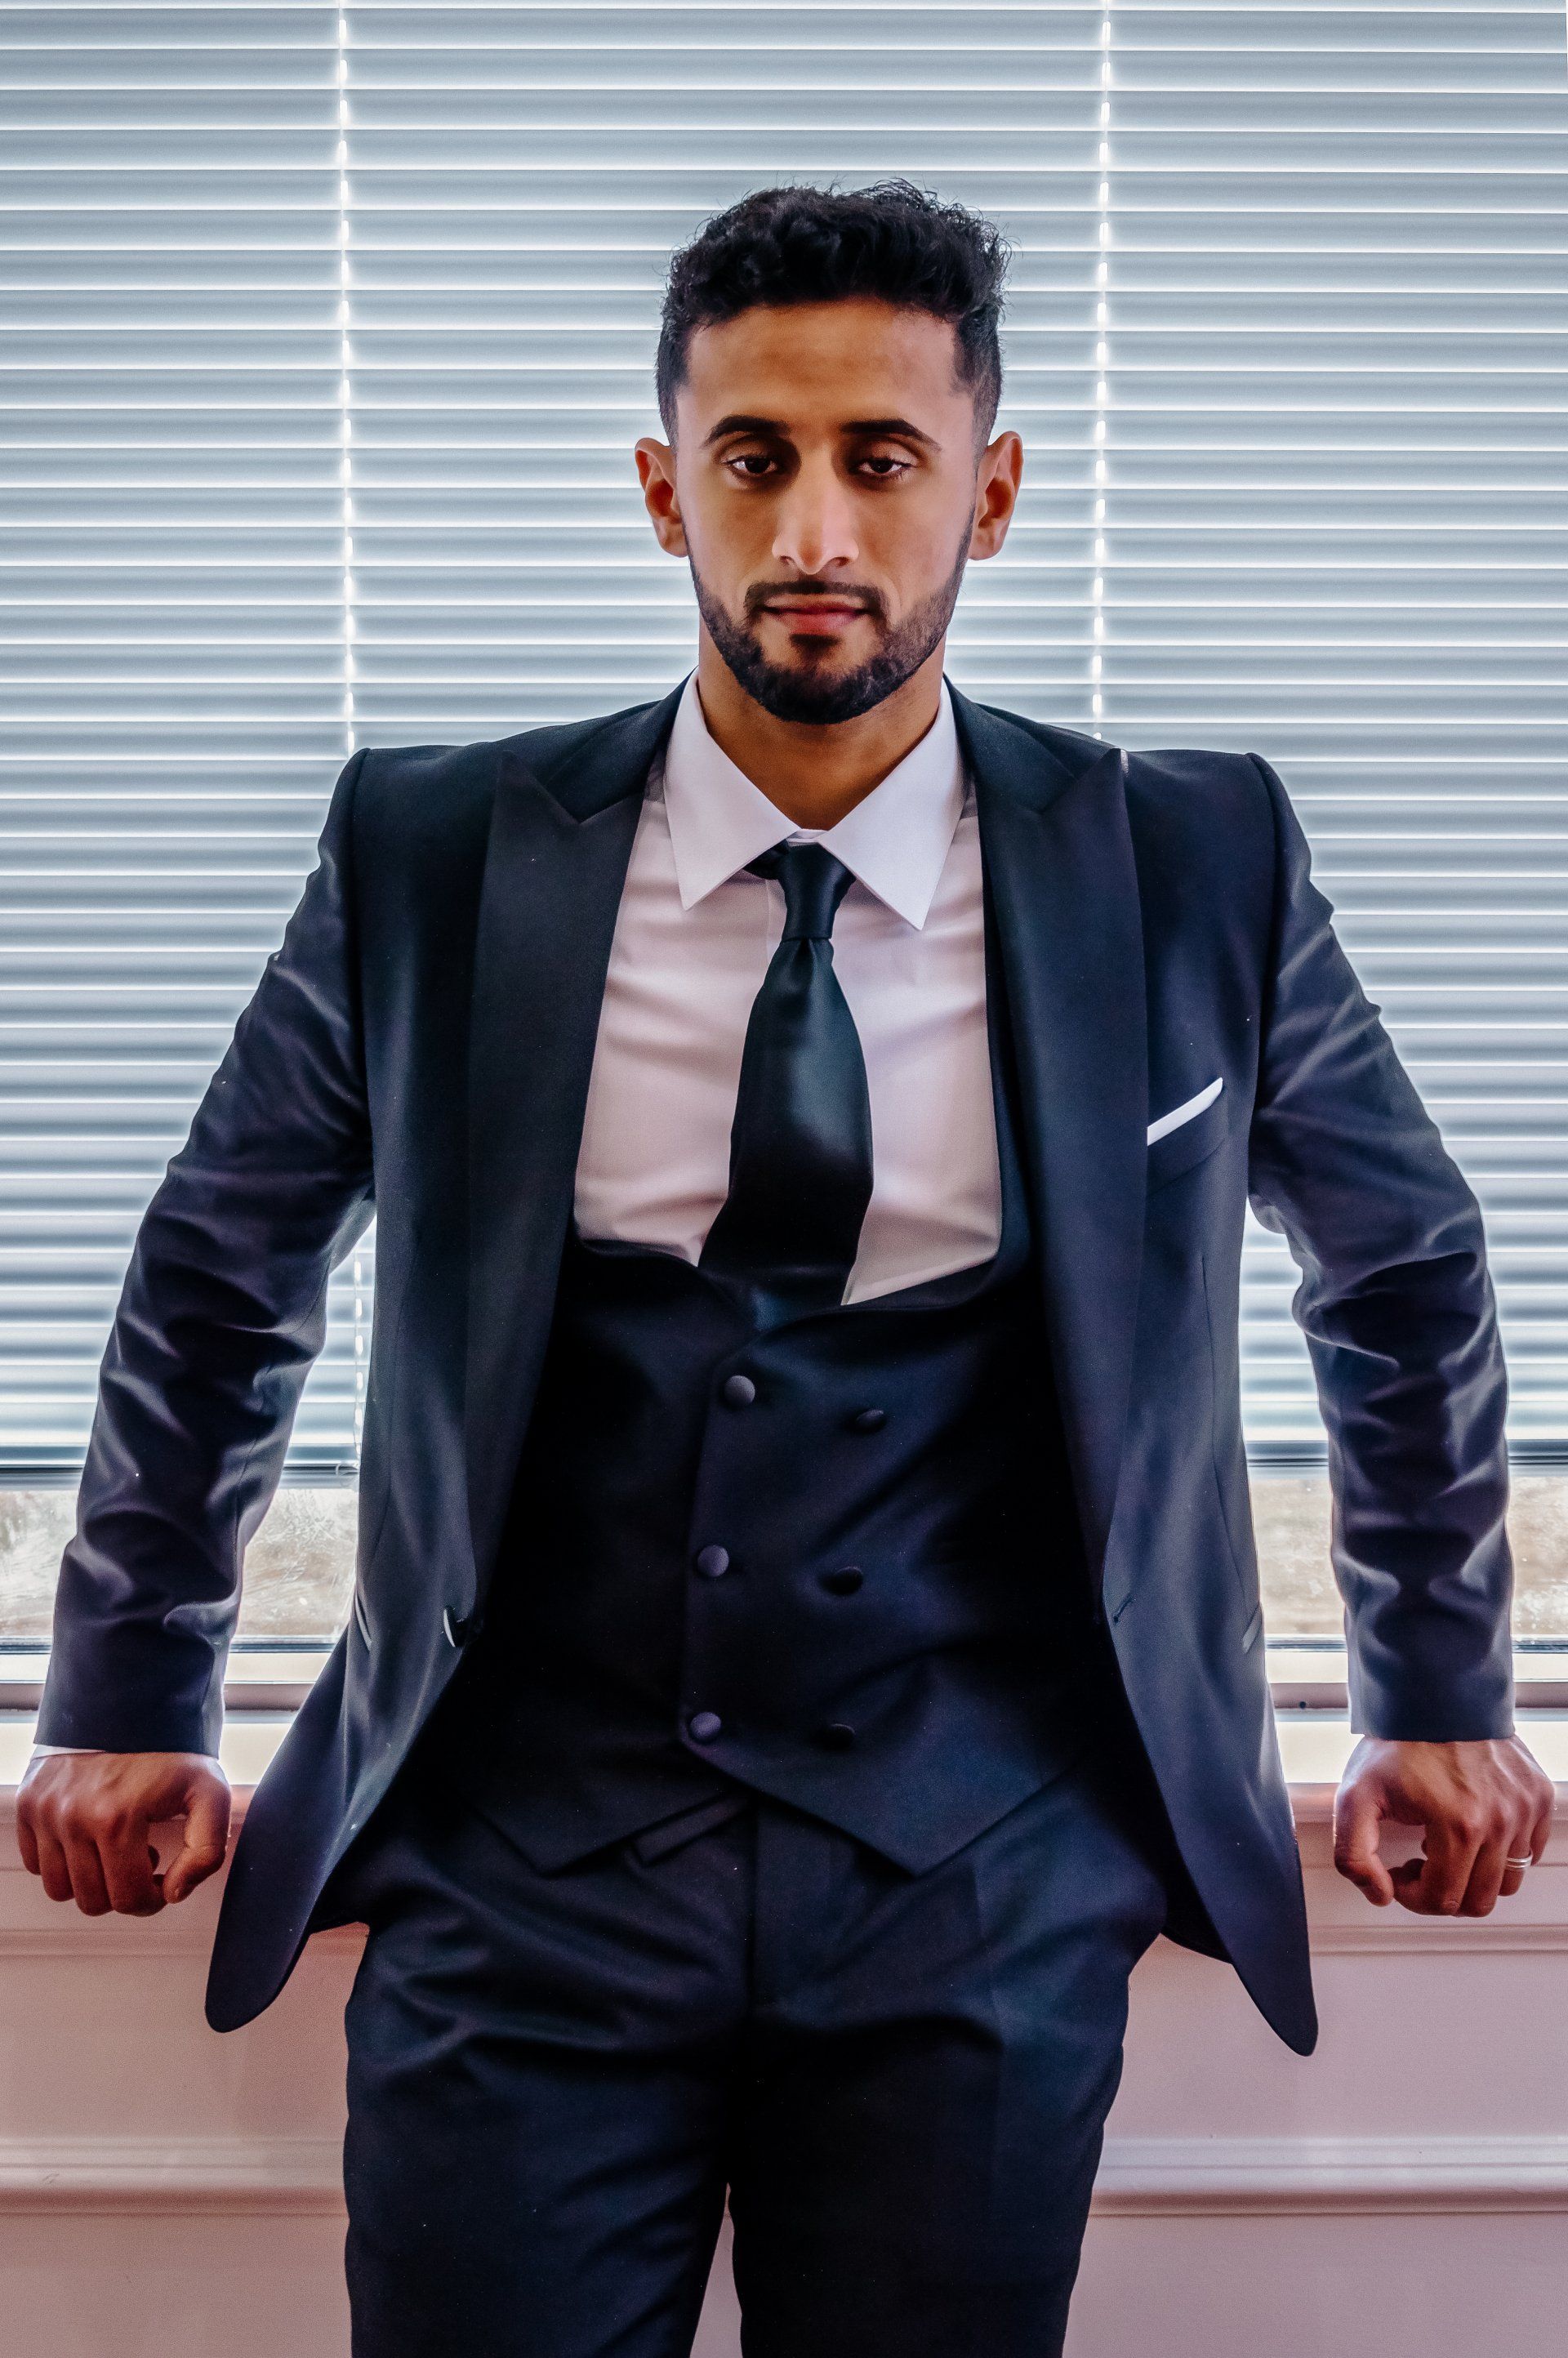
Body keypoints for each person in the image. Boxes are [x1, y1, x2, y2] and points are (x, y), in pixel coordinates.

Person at [16, 181, 1555, 2358]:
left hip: (988, 1892)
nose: (811, 524)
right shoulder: (439, 852)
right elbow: (217, 1275)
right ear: (667, 488)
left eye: (879, 457)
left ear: (989, 493)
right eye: (754, 457)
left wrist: (1432, 1691)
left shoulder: (1190, 858)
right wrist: (126, 1694)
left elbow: (1402, 1267)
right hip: (520, 1887)